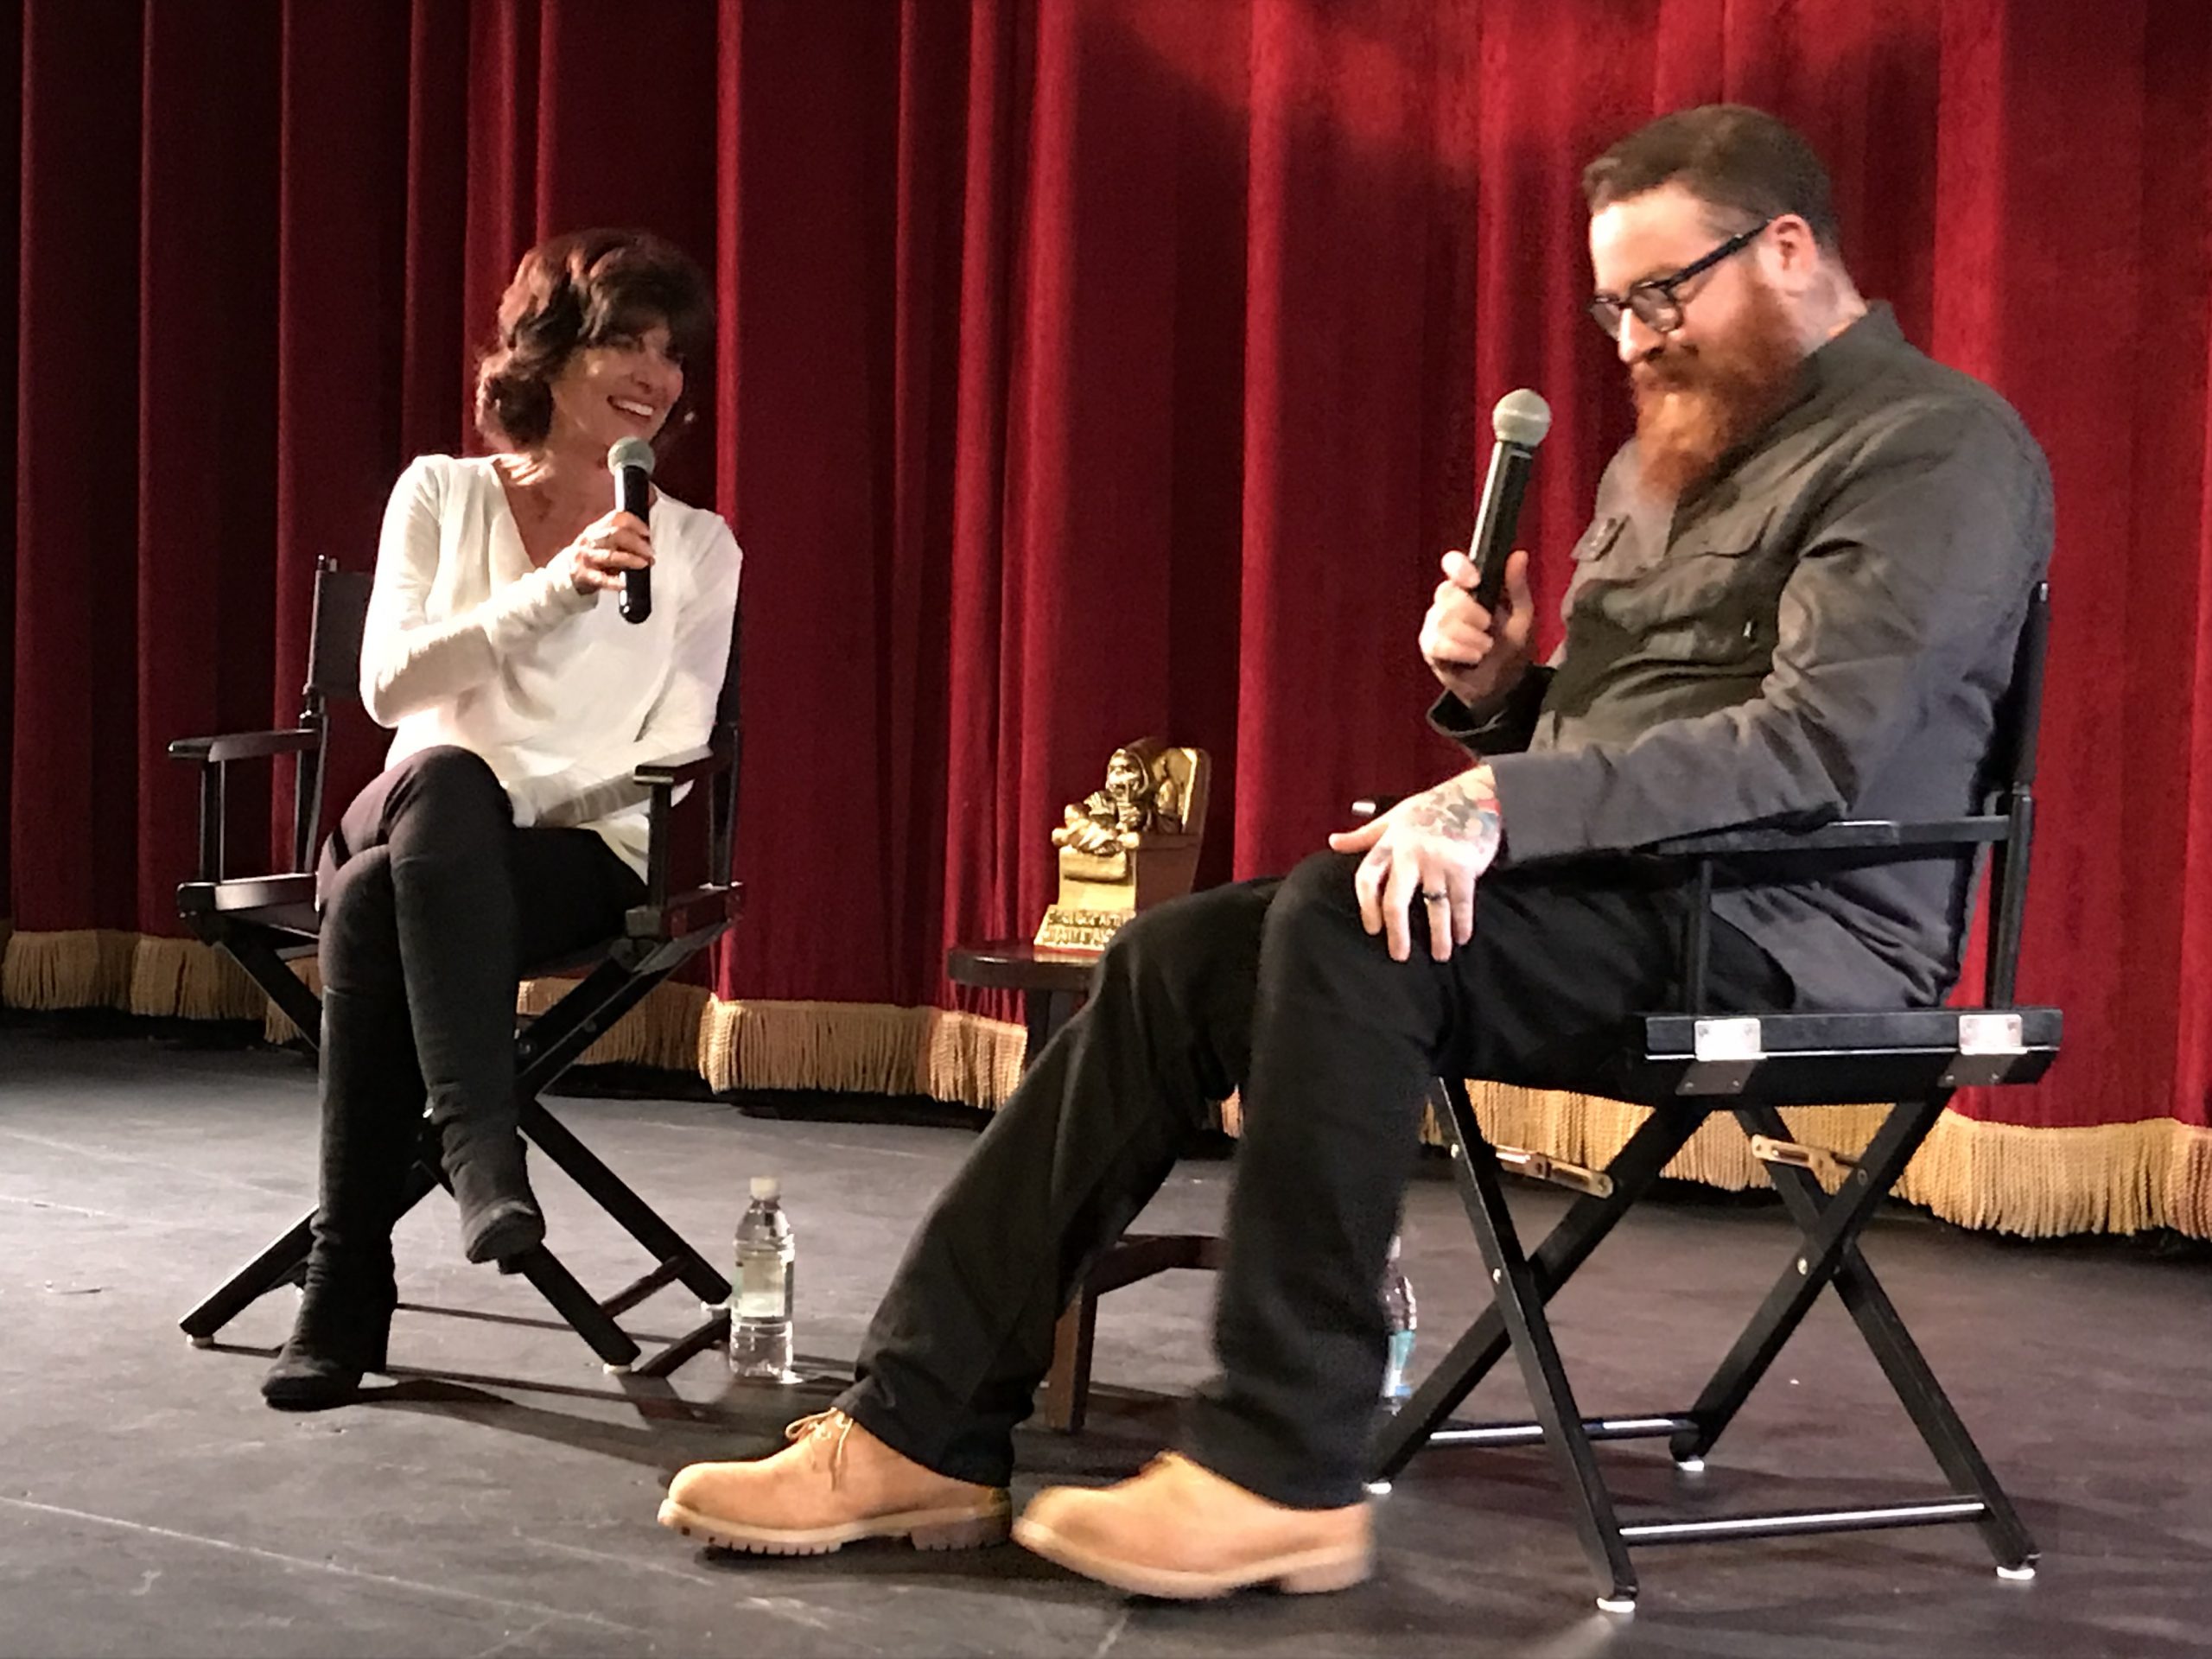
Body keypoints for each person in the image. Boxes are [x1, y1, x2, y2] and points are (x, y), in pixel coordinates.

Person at [658, 105, 2051, 1599]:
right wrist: (1506, 697)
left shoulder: (1935, 445)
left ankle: (1282, 1465)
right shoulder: (1668, 464)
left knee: (1345, 916)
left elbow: (1806, 753)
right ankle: (921, 1428)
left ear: (1786, 250)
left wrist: (1493, 806)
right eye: (1611, 306)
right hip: (1621, 894)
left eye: (1664, 295)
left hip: (1795, 936)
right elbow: (1615, 751)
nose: (1633, 339)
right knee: (1182, 951)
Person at [262, 229, 741, 1410]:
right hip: (416, 809)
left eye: (672, 352)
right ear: (549, 351)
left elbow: (670, 756)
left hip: (571, 860)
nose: (657, 372)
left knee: (390, 892)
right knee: (445, 784)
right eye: (626, 339)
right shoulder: (440, 492)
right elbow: (389, 693)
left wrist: (495, 821)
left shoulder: (700, 547)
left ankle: (346, 1283)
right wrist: (553, 589)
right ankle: (480, 1141)